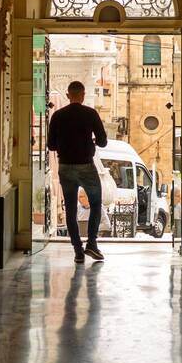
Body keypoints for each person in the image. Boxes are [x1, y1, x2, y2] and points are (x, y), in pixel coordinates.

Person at [47, 80, 108, 263]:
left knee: (71, 209)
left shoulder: (57, 115)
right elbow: (103, 141)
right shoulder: (90, 114)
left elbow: (51, 145)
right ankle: (92, 243)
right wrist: (92, 142)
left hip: (65, 167)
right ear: (82, 95)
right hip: (86, 166)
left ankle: (78, 251)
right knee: (96, 204)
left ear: (67, 95)